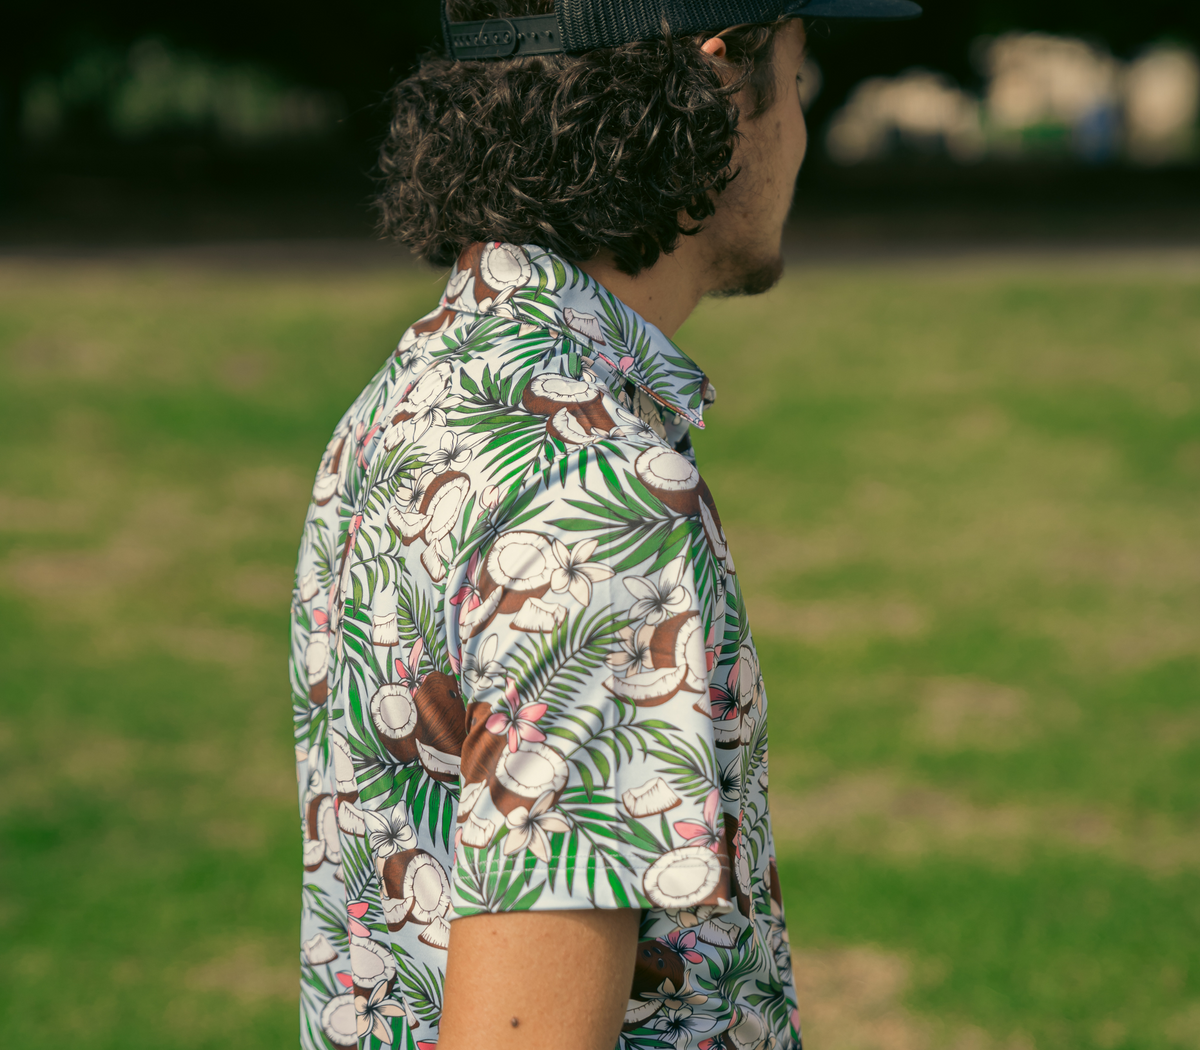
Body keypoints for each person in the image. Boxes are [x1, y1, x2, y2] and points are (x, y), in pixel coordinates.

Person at [289, 2, 920, 1048]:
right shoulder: (596, 492)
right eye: (798, 85)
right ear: (725, 82)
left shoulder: (418, 389)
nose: (800, 132)